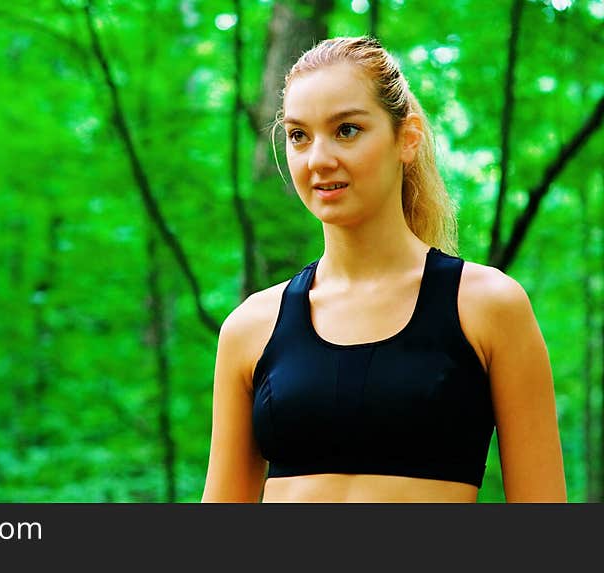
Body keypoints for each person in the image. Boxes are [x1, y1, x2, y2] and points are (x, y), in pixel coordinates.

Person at [201, 36, 567, 503]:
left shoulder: (488, 306)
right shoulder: (250, 327)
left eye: (347, 130)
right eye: (299, 135)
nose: (319, 159)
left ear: (407, 138)